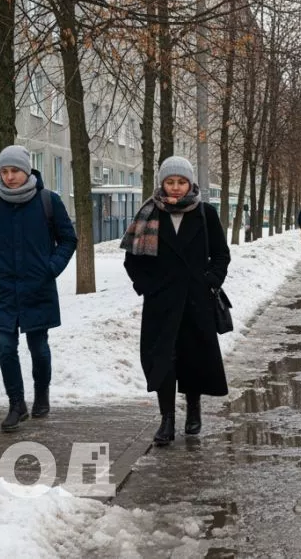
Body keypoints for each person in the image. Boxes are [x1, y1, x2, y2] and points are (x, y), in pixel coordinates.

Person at [123, 156, 231, 446]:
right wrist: (148, 287)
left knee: (193, 357)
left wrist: (210, 281)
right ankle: (167, 419)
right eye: (170, 182)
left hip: (196, 299)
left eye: (181, 182)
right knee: (164, 359)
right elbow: (132, 260)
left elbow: (221, 255)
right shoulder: (149, 214)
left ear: (190, 183)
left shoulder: (205, 213)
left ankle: (193, 409)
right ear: (162, 183)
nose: (175, 188)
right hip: (162, 302)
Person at [0, 144, 78, 433]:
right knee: (6, 347)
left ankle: (42, 393)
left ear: (27, 170)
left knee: (39, 347)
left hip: (38, 286)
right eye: (5, 171)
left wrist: (51, 268)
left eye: (15, 171)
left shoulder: (48, 201)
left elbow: (68, 239)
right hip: (5, 288)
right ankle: (16, 404)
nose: (9, 177)